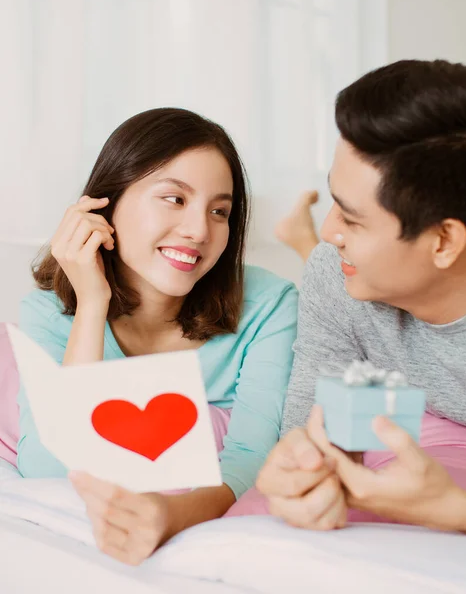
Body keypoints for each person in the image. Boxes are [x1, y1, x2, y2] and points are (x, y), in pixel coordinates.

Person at [254, 59, 466, 542]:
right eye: (334, 203)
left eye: (352, 220)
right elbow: (311, 430)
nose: (329, 232)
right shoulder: (335, 277)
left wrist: (456, 510)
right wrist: (301, 475)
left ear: (444, 242)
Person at [17, 108, 298, 564]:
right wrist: (91, 306)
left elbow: (251, 458)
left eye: (220, 211)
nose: (199, 231)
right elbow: (48, 472)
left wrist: (171, 515)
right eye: (174, 199)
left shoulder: (270, 305)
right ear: (106, 202)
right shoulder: (48, 314)